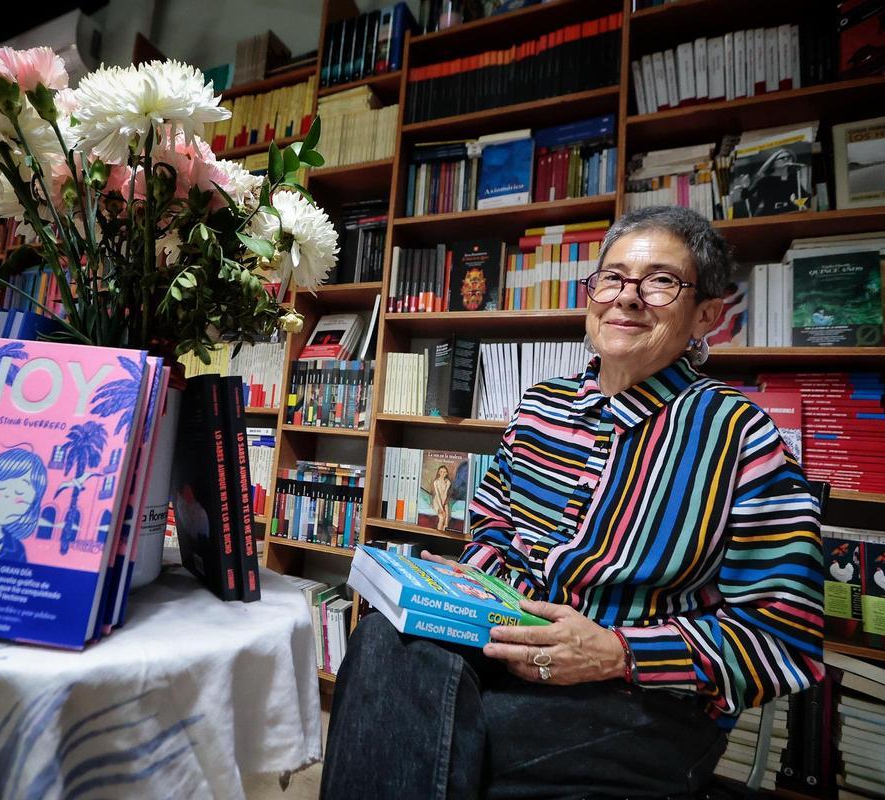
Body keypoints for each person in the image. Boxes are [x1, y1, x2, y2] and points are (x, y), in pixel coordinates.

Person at [321, 206, 824, 799]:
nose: (627, 297)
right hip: (503, 648)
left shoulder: (742, 435)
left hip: (641, 698)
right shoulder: (540, 408)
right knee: (382, 640)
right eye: (612, 277)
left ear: (705, 315)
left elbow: (784, 638)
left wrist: (615, 653)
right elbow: (493, 532)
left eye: (661, 281)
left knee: (431, 740)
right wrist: (462, 592)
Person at [432, 464, 453, 531]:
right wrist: (441, 508)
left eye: (444, 472)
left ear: (446, 473)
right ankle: (438, 533)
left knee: (446, 516)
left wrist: (443, 504)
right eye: (441, 472)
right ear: (438, 472)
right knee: (441, 517)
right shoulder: (436, 482)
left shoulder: (448, 482)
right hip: (437, 501)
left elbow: (445, 494)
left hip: (444, 500)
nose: (442, 474)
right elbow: (438, 495)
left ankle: (444, 529)